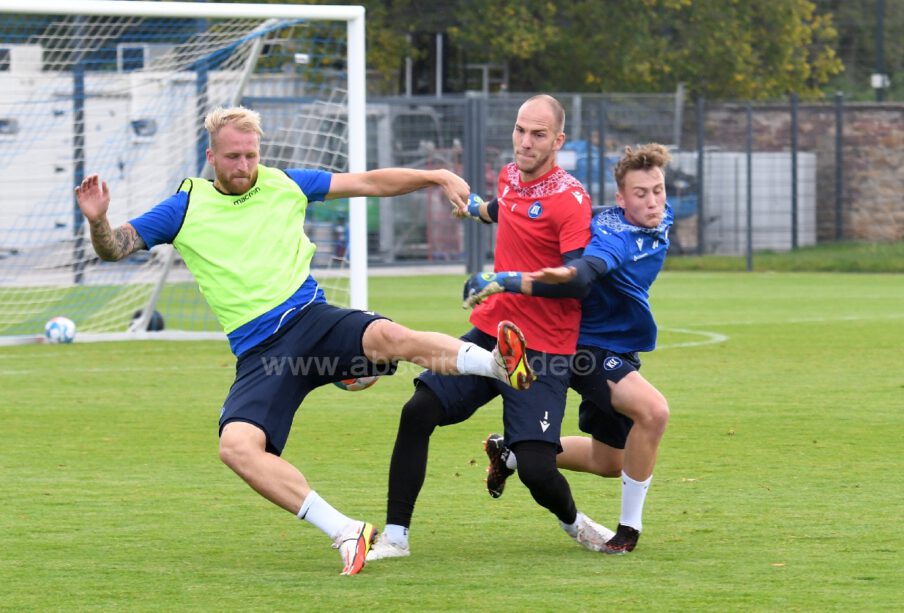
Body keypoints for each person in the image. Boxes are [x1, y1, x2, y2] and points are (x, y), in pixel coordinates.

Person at [74, 106, 534, 576]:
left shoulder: (282, 183)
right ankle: (344, 530)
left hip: (313, 319)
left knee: (389, 336)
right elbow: (116, 246)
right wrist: (97, 221)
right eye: (233, 157)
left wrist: (435, 175)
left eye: (252, 155)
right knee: (235, 446)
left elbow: (369, 182)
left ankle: (498, 364)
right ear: (211, 156)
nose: (245, 166)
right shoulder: (184, 208)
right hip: (262, 353)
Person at [367, 94, 616, 562]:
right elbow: (509, 209)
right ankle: (396, 537)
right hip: (492, 334)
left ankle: (574, 522)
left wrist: (504, 281)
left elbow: (576, 283)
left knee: (538, 472)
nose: (525, 141)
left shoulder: (571, 200)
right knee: (417, 411)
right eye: (520, 130)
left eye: (538, 134)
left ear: (558, 140)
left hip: (543, 350)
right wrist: (475, 208)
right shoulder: (510, 175)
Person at [473, 143, 674, 555]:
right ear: (622, 199)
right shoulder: (615, 238)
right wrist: (538, 275)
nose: (653, 201)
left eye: (658, 190)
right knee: (653, 412)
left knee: (610, 462)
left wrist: (483, 209)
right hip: (585, 349)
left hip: (619, 347)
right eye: (641, 194)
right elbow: (590, 268)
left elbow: (548, 210)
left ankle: (510, 453)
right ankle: (627, 533)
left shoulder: (653, 216)